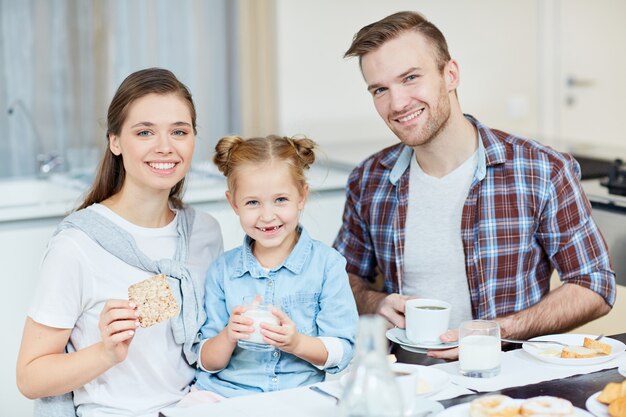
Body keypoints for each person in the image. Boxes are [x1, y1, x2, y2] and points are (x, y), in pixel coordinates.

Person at [333, 11, 616, 359]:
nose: (397, 103)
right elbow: (340, 279)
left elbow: (595, 285)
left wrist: (499, 332)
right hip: (407, 380)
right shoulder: (369, 179)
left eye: (410, 78)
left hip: (504, 382)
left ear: (450, 74)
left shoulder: (541, 170)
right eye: (380, 89)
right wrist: (373, 302)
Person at [16, 67, 223, 416]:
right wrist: (105, 353)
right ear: (115, 141)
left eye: (179, 131)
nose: (165, 147)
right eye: (144, 132)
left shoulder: (206, 231)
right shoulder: (77, 245)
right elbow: (30, 377)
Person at [193, 134, 358, 398]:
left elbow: (342, 350)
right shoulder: (222, 271)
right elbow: (205, 360)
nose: (267, 216)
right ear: (234, 203)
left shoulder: (328, 266)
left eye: (280, 199)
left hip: (296, 396)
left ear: (302, 196)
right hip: (225, 394)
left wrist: (296, 343)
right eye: (252, 202)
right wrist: (228, 335)